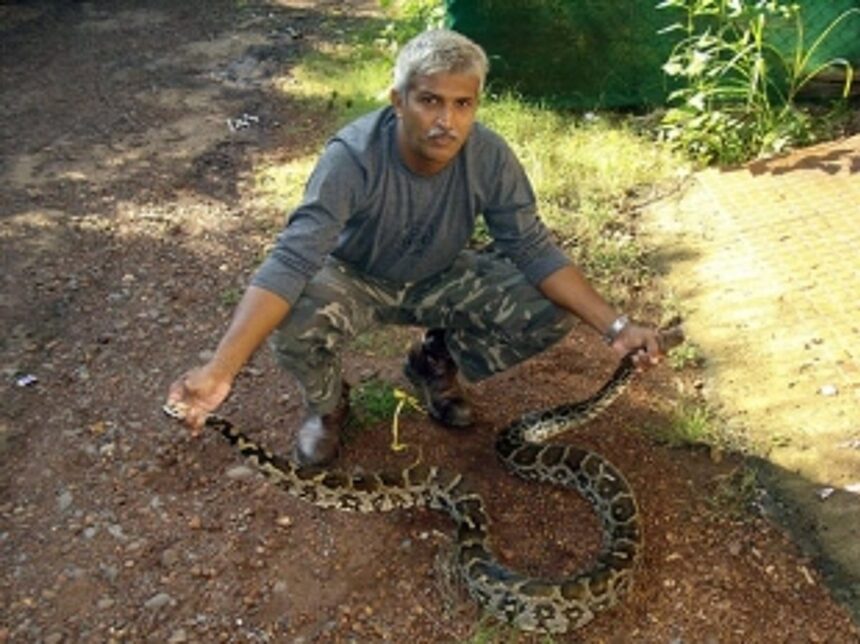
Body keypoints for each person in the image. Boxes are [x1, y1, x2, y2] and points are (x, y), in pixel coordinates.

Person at [166, 29, 664, 467]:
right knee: (295, 319)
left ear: (475, 106)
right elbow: (293, 260)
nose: (446, 120)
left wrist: (616, 327)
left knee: (552, 309)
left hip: (439, 274)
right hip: (356, 278)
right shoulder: (352, 158)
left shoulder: (489, 156)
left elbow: (533, 249)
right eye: (429, 100)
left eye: (462, 104)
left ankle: (434, 362)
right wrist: (219, 370)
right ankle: (327, 406)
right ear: (397, 100)